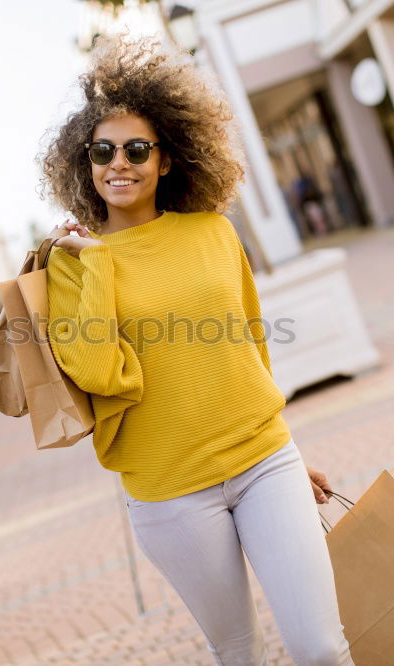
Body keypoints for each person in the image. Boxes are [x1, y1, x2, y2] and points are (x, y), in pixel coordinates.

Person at [37, 37, 354, 666]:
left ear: (168, 159)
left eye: (136, 149)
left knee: (320, 648)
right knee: (240, 654)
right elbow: (98, 372)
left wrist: (292, 449)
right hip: (169, 491)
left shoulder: (212, 231)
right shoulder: (69, 266)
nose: (118, 164)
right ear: (85, 162)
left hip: (265, 462)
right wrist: (96, 268)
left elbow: (252, 346)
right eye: (102, 151)